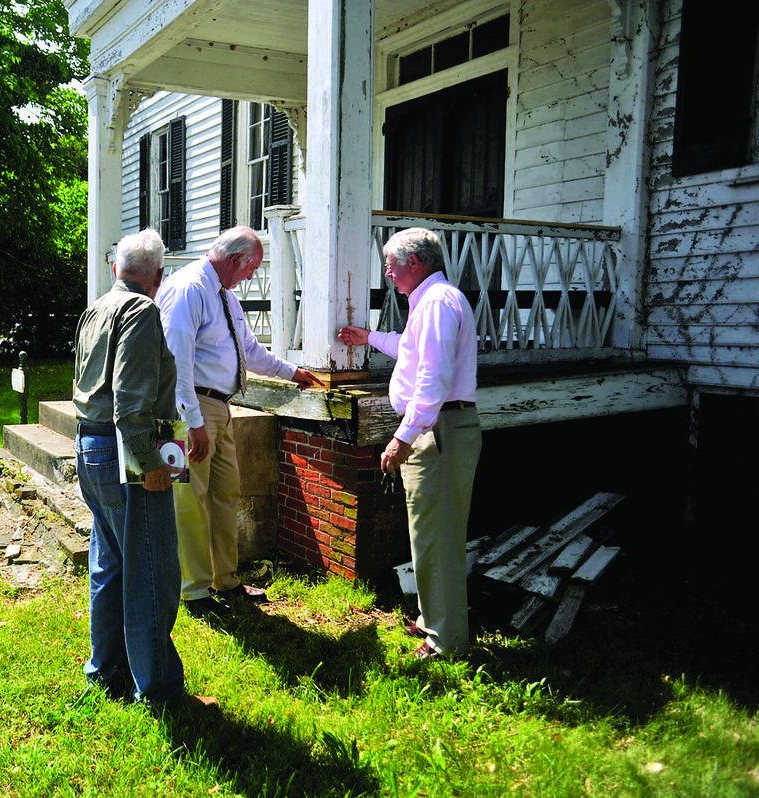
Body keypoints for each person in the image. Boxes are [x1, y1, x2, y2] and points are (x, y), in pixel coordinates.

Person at [156, 226, 323, 618]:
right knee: (189, 501)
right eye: (250, 269)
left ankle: (225, 580)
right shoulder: (189, 289)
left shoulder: (224, 296)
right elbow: (174, 361)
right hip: (189, 407)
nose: (250, 276)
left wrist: (292, 372)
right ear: (234, 260)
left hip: (218, 407)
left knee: (225, 493)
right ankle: (194, 591)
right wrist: (192, 421)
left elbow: (248, 350)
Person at [338, 227, 481, 659]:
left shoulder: (437, 304)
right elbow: (412, 350)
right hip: (440, 429)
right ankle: (433, 620)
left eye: (392, 264)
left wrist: (402, 438)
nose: (387, 272)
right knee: (429, 534)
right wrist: (370, 339)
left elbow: (432, 380)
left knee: (437, 537)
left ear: (415, 263)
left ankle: (446, 641)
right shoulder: (434, 302)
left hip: (437, 432)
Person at [72, 228, 185, 706]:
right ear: (158, 277)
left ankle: (107, 671)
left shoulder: (96, 308)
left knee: (110, 565)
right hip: (124, 453)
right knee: (152, 572)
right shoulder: (140, 311)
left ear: (116, 269)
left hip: (90, 447)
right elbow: (129, 404)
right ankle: (157, 689)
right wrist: (149, 463)